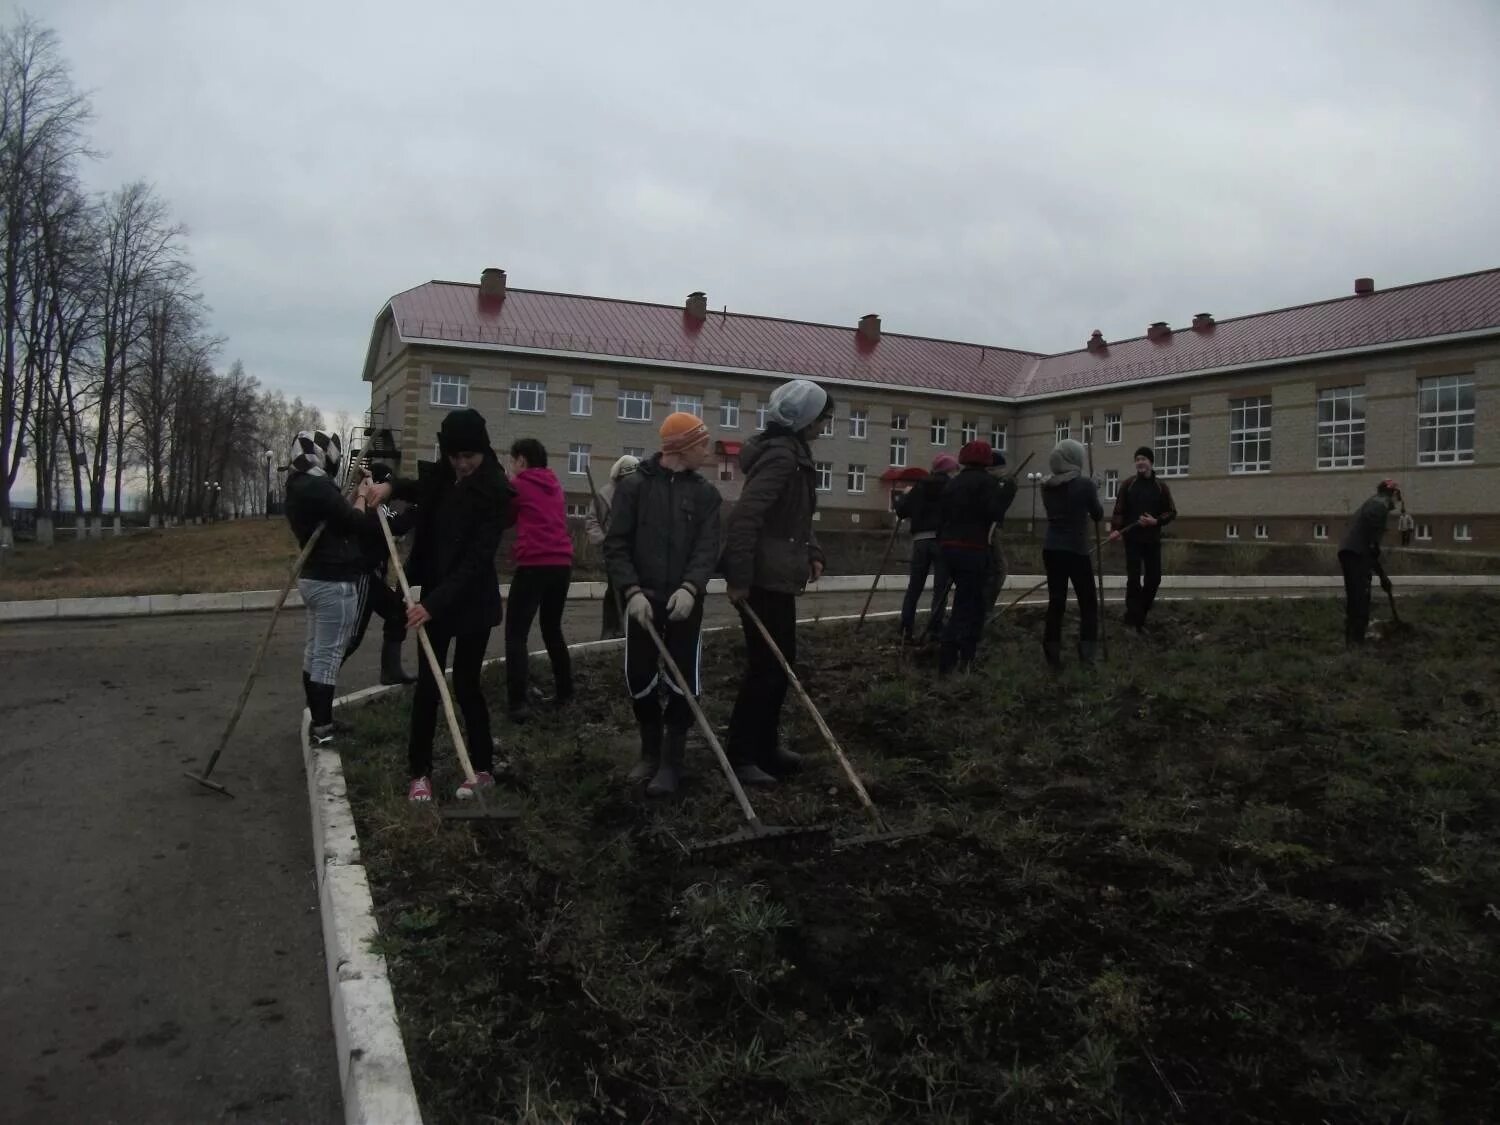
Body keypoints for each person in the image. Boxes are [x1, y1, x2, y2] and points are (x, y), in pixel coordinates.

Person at [391, 408, 515, 803]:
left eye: (470, 457)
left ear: (483, 451)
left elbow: (476, 561)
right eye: (455, 456)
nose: (462, 465)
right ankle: (419, 772)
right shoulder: (443, 479)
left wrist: (434, 604)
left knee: (466, 683)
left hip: (470, 601)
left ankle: (481, 768)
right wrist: (387, 488)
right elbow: (416, 493)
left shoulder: (495, 491)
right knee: (429, 685)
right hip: (434, 598)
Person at [603, 414, 721, 796]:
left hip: (684, 603)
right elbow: (616, 545)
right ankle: (650, 753)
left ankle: (672, 761)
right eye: (702, 444)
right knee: (640, 676)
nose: (708, 450)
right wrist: (631, 592)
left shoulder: (705, 494)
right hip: (644, 603)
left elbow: (707, 548)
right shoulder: (635, 487)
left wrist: (691, 587)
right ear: (682, 446)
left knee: (684, 679)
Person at [723, 379, 832, 786]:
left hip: (780, 576)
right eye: (823, 418)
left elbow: (795, 518)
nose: (826, 425)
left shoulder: (795, 455)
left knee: (780, 666)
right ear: (805, 420)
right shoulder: (782, 458)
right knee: (765, 669)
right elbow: (744, 518)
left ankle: (766, 746)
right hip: (762, 580)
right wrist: (739, 579)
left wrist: (813, 552)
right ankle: (742, 754)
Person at [284, 430, 385, 745]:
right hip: (333, 581)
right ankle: (324, 729)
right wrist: (362, 495)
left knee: (314, 653)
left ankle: (318, 720)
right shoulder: (318, 486)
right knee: (327, 657)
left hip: (313, 576)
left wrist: (353, 491)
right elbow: (352, 522)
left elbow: (334, 514)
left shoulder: (298, 484)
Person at [503, 438, 575, 723]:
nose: (512, 467)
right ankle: (565, 691)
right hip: (562, 566)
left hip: (534, 564)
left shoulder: (519, 485)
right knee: (552, 628)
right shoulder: (555, 485)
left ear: (522, 461)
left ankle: (517, 703)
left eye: (512, 461)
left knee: (516, 634)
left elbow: (507, 518)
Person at [936, 440, 1017, 674]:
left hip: (948, 549)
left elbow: (943, 516)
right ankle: (958, 660)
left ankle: (951, 657)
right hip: (972, 549)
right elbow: (993, 514)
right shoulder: (989, 483)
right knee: (970, 606)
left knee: (961, 602)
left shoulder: (953, 484)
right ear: (986, 461)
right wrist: (1008, 492)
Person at [342, 460, 417, 685]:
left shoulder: (376, 504)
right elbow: (395, 524)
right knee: (352, 636)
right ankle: (322, 677)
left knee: (397, 613)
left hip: (374, 577)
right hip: (363, 576)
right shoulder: (368, 505)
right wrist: (416, 512)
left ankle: (390, 671)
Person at [1040, 438, 1104, 668]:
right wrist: (1094, 488)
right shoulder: (1084, 485)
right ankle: (1087, 655)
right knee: (1088, 602)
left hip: (1051, 548)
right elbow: (1097, 514)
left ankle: (1052, 654)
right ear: (1075, 459)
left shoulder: (1046, 485)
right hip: (1076, 550)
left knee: (1056, 602)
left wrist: (1090, 487)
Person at [1108, 446, 1178, 631]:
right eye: (1137, 459)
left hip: (1152, 539)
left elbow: (1171, 512)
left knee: (1154, 579)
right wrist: (1115, 529)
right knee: (1133, 580)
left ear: (1151, 462)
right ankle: (1133, 621)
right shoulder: (1128, 485)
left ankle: (1139, 614)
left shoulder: (1160, 487)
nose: (1140, 462)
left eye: (1143, 459)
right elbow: (1119, 509)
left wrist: (1156, 521)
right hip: (1132, 539)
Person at [896, 453, 956, 643]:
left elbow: (902, 511)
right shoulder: (952, 487)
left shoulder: (920, 486)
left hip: (920, 541)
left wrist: (903, 497)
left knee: (915, 586)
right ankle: (935, 629)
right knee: (940, 588)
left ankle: (906, 629)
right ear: (948, 469)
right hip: (943, 541)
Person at [1338, 479, 1400, 647]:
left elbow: (1370, 546)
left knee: (1355, 599)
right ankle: (1356, 644)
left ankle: (1351, 641)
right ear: (1392, 494)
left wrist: (1381, 575)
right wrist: (1382, 576)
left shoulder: (1372, 502)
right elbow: (1372, 545)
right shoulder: (1379, 506)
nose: (1396, 501)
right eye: (1396, 495)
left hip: (1350, 552)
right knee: (1361, 601)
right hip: (1357, 554)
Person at [585, 454, 640, 640]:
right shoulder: (606, 494)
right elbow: (592, 521)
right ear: (620, 477)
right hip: (615, 551)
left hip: (638, 551)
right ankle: (610, 630)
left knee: (636, 591)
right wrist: (603, 540)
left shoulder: (643, 493)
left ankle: (634, 632)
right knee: (615, 591)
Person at [982, 449, 1013, 611]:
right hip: (991, 531)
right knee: (1000, 569)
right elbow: (997, 509)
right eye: (1001, 469)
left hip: (991, 529)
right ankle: (986, 608)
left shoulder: (999, 484)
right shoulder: (992, 485)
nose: (1004, 472)